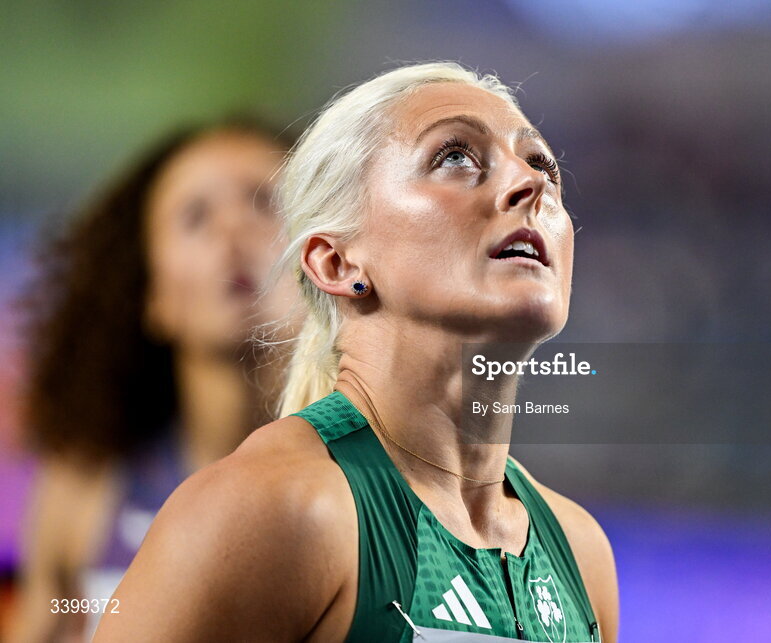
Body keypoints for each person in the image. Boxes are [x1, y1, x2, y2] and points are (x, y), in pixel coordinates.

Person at [95, 62, 619, 642]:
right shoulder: (275, 509)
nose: (532, 185)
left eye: (541, 162)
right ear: (336, 263)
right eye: (456, 156)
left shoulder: (581, 553)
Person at [11, 119, 297, 642]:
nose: (233, 230)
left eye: (266, 203)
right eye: (195, 217)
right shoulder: (83, 492)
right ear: (155, 298)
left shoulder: (394, 495)